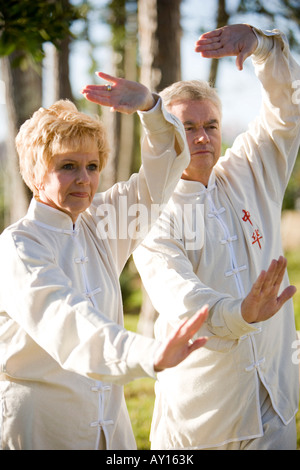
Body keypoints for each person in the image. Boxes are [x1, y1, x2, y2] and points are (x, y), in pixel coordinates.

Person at [0, 72, 210, 450]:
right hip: (43, 427)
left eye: (92, 166)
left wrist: (150, 107)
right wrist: (148, 352)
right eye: (67, 166)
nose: (84, 179)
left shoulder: (101, 221)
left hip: (110, 428)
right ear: (35, 174)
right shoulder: (18, 247)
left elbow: (161, 177)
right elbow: (66, 320)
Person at [133, 24, 300, 450]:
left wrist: (263, 48)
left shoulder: (248, 171)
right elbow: (182, 299)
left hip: (276, 402)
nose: (203, 137)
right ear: (163, 135)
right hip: (206, 421)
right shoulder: (150, 215)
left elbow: (288, 108)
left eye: (211, 125)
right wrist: (240, 312)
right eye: (188, 127)